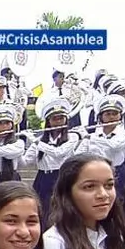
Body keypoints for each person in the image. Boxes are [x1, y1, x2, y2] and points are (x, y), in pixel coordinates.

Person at [23, 97, 80, 228]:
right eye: (54, 119)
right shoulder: (40, 139)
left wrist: (36, 142)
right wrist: (12, 148)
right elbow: (25, 161)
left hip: (62, 177)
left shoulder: (72, 136)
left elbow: (58, 153)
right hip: (43, 179)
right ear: (48, 121)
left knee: (64, 210)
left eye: (61, 118)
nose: (58, 121)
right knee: (42, 211)